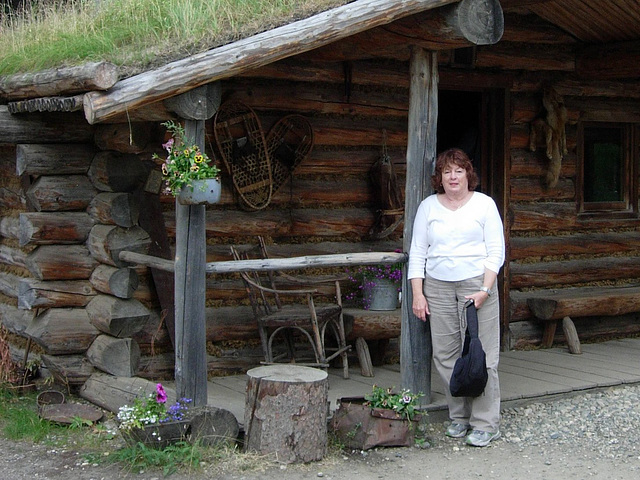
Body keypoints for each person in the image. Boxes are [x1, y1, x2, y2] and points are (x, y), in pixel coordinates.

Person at [407, 148, 505, 447]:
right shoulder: (428, 207)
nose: (453, 176)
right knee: (446, 353)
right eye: (447, 171)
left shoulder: (484, 205)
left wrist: (486, 289)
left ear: (468, 175)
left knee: (482, 352)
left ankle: (485, 422)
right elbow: (418, 253)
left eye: (459, 170)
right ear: (440, 177)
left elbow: (496, 251)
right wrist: (418, 294)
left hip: (477, 284)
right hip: (437, 286)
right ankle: (459, 416)